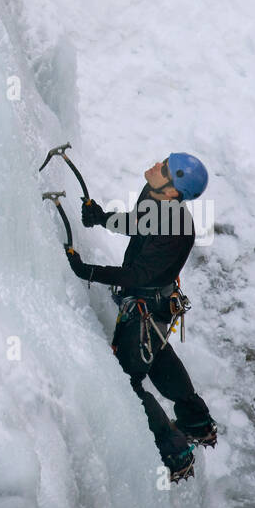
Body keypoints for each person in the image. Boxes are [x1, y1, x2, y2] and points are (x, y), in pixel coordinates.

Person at [64, 154, 217, 482]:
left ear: (174, 192)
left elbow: (136, 275)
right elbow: (138, 223)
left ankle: (173, 452)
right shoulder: (155, 195)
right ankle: (195, 422)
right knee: (158, 356)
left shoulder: (177, 229)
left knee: (127, 379)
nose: (155, 166)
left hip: (146, 306)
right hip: (152, 307)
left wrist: (85, 271)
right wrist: (102, 219)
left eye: (164, 169)